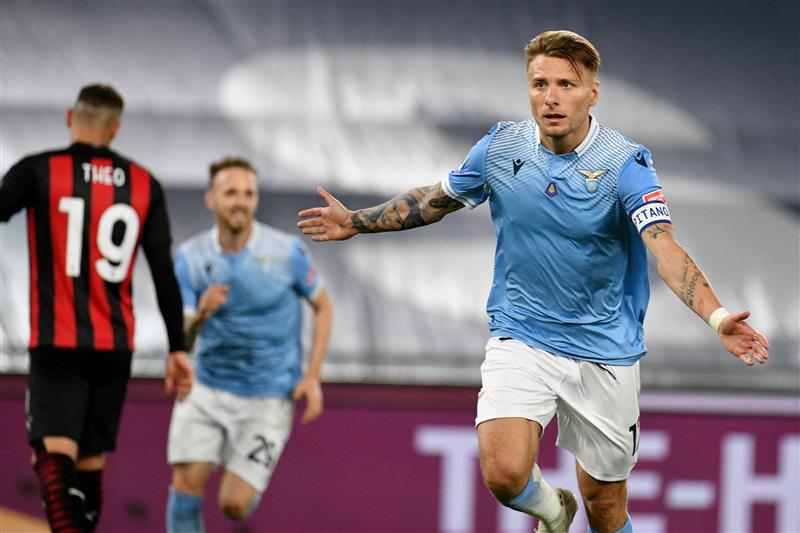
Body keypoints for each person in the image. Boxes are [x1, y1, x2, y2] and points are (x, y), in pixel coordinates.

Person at [297, 30, 770, 533]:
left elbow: (665, 248)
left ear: (593, 93)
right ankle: (552, 511)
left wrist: (717, 317)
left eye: (567, 84)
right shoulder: (501, 148)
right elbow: (434, 199)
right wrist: (357, 221)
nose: (551, 96)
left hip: (604, 349)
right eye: (540, 83)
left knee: (606, 507)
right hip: (523, 334)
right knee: (503, 473)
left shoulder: (624, 164)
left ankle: (580, 510)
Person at [0, 83, 193, 532]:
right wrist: (177, 348)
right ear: (116, 128)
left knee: (52, 458)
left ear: (71, 116)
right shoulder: (145, 184)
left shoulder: (40, 169)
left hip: (58, 340)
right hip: (114, 346)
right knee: (87, 463)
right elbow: (164, 272)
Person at [165, 156, 333, 532]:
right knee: (186, 484)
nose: (240, 201)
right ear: (211, 199)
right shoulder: (190, 259)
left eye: (248, 193)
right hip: (207, 387)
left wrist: (313, 375)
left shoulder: (286, 252)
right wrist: (202, 313)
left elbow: (323, 306)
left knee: (234, 505)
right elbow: (181, 340)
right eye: (230, 193)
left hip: (269, 395)